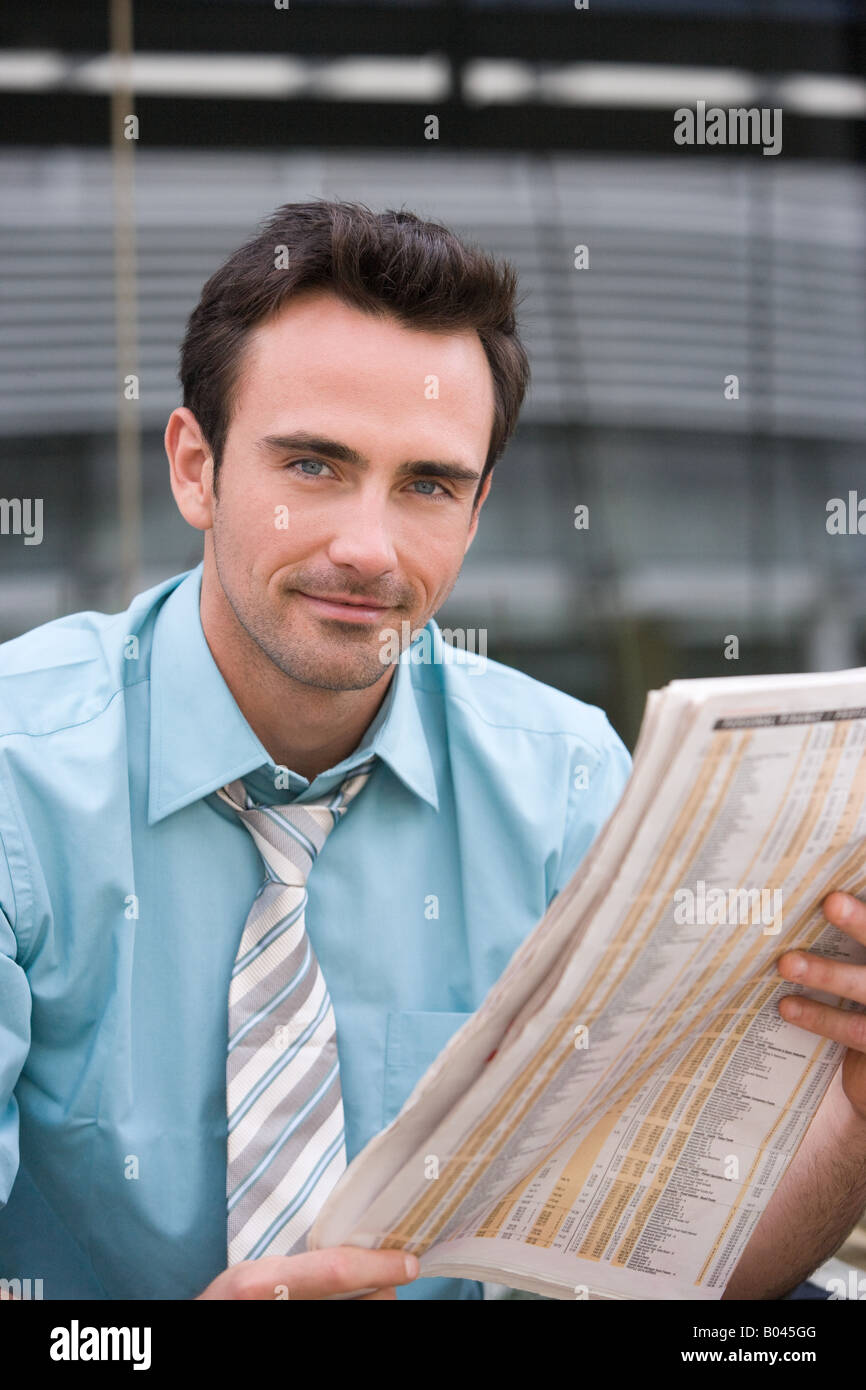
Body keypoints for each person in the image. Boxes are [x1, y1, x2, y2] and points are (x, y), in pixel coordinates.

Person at [1, 202, 865, 1303]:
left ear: (474, 510)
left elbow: (660, 1282)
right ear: (194, 468)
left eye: (426, 484)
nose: (366, 547)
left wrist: (853, 1112)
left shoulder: (563, 786)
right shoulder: (18, 778)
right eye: (312, 465)